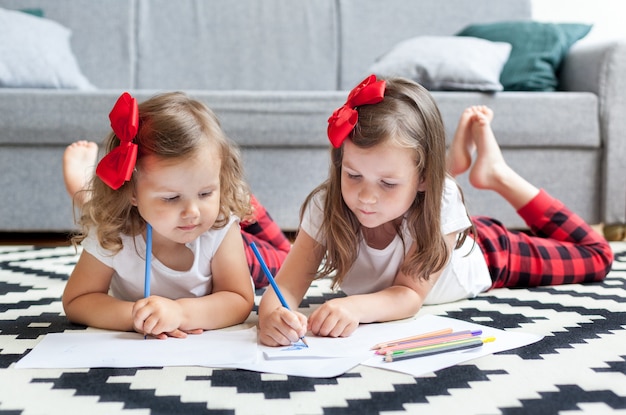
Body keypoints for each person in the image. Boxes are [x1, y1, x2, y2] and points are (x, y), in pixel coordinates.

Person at [257, 75, 613, 347]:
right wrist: (271, 316)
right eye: (353, 175)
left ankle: (497, 174)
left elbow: (408, 295)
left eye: (388, 184)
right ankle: (455, 163)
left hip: (488, 253)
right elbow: (285, 285)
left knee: (597, 256)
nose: (366, 196)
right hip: (444, 219)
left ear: (424, 179)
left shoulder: (440, 200)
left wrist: (355, 308)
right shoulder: (327, 204)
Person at [62, 91, 290, 339]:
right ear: (133, 193)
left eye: (205, 193)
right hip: (127, 212)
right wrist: (137, 316)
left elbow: (239, 299)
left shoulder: (221, 228)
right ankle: (83, 190)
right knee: (101, 211)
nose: (192, 212)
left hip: (234, 233)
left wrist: (180, 312)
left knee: (285, 259)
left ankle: (239, 196)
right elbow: (77, 300)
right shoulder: (112, 234)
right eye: (171, 198)